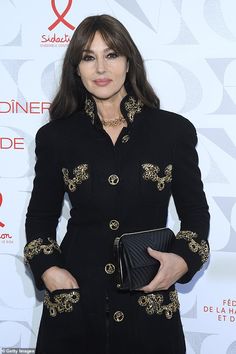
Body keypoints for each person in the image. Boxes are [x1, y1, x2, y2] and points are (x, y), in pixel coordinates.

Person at [24, 14, 210, 354]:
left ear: (128, 61)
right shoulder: (55, 137)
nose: (100, 68)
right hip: (76, 304)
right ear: (76, 68)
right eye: (88, 57)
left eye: (111, 55)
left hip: (149, 302)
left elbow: (196, 215)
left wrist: (181, 262)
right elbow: (39, 219)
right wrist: (49, 269)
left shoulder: (173, 132)